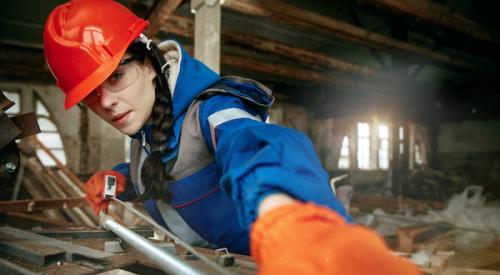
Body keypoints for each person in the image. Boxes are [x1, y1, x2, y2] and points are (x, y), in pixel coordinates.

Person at [43, 0, 421, 274]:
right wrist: (121, 177)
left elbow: (258, 146)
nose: (107, 102)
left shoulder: (212, 109)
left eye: (116, 77)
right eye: (92, 95)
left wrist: (289, 216)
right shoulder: (143, 124)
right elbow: (169, 169)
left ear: (150, 62)